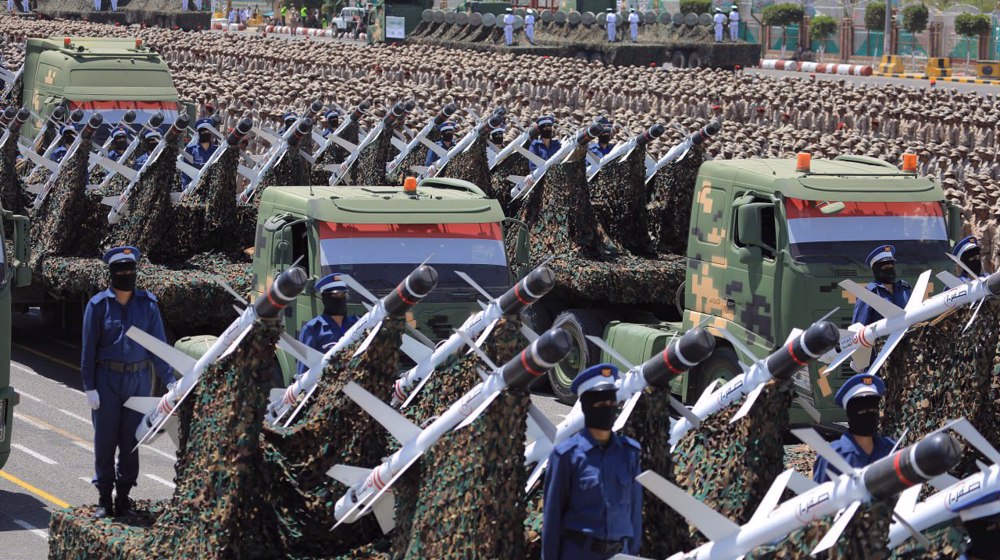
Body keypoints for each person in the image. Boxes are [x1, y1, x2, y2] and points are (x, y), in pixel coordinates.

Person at [81, 246, 177, 518]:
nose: (127, 274)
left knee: (131, 441)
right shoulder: (98, 306)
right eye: (121, 270)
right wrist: (89, 387)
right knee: (105, 440)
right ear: (111, 274)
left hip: (138, 380)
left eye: (130, 270)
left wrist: (170, 381)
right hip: (106, 380)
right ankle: (104, 499)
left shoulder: (148, 305)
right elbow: (88, 350)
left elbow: (158, 347)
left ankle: (123, 497)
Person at [543, 364, 642, 559]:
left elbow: (635, 514)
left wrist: (631, 553)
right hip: (580, 553)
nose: (609, 409)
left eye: (612, 403)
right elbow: (552, 520)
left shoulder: (629, 453)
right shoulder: (567, 456)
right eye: (601, 405)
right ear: (588, 407)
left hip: (618, 554)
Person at [811, 373, 895, 483]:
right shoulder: (831, 457)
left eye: (873, 408)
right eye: (863, 410)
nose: (870, 414)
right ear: (851, 414)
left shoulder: (891, 450)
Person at [296, 273, 359, 375]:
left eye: (343, 294)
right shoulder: (313, 329)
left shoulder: (356, 324)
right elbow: (303, 370)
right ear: (325, 298)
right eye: (335, 295)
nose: (340, 299)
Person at [851, 245, 912, 326]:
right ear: (877, 270)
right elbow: (858, 327)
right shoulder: (868, 294)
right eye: (886, 267)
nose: (890, 270)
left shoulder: (904, 290)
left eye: (892, 267)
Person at [181, 118, 218, 188]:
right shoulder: (190, 150)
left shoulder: (216, 150)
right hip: (194, 189)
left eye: (207, 132)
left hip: (212, 189)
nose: (205, 134)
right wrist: (185, 189)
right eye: (203, 132)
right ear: (199, 133)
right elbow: (185, 172)